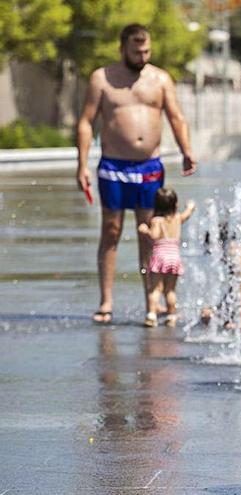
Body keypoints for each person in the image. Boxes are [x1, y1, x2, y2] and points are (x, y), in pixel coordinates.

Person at [76, 23, 197, 324]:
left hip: (149, 167)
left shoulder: (160, 79)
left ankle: (151, 304)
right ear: (122, 49)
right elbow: (86, 122)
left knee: (151, 234)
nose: (142, 56)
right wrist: (81, 164)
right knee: (111, 231)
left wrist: (186, 150)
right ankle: (106, 302)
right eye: (136, 51)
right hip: (114, 167)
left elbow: (176, 118)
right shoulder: (102, 79)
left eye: (147, 51)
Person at [137, 188, 195, 327]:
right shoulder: (177, 218)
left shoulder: (157, 220)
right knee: (170, 290)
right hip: (174, 257)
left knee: (155, 288)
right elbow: (186, 215)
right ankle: (171, 316)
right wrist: (190, 207)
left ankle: (151, 315)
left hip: (160, 257)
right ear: (175, 204)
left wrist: (145, 230)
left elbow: (155, 236)